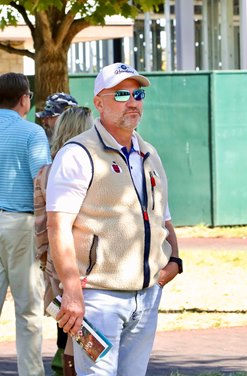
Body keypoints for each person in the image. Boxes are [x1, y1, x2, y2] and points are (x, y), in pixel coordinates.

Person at [46, 62, 182, 375]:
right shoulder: (78, 154)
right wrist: (72, 291)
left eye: (138, 94)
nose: (133, 101)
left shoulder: (149, 152)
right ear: (99, 103)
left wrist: (174, 262)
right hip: (97, 298)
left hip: (146, 296)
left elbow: (164, 216)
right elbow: (58, 226)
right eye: (121, 93)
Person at [34, 106, 94, 376]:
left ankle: (65, 368)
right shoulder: (94, 168)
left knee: (71, 330)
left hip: (57, 264)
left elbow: (40, 227)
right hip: (87, 264)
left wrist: (47, 264)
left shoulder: (45, 172)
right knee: (88, 335)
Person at [0, 72, 51, 376]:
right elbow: (41, 180)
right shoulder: (32, 133)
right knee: (28, 308)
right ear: (24, 99)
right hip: (21, 224)